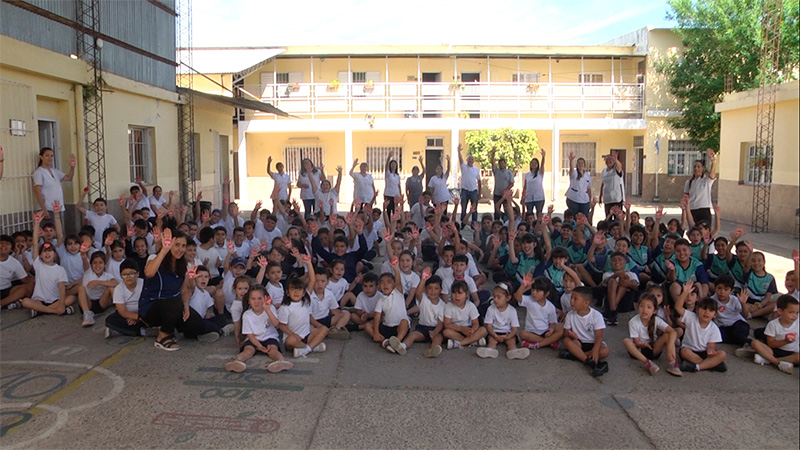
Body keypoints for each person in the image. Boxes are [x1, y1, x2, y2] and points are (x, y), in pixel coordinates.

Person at [139, 228, 206, 351]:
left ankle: (169, 327)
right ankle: (162, 335)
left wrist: (186, 306)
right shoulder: (154, 257)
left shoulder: (183, 265)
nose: (180, 249)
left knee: (196, 325)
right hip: (151, 307)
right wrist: (164, 250)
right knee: (174, 302)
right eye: (176, 245)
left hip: (174, 308)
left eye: (183, 246)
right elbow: (149, 273)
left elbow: (185, 290)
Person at [225, 285, 294, 373]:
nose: (256, 302)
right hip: (253, 339)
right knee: (248, 350)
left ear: (266, 299)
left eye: (260, 298)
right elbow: (250, 335)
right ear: (249, 301)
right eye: (253, 299)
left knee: (273, 349)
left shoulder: (271, 308)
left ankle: (281, 361)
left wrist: (267, 309)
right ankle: (237, 361)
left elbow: (276, 324)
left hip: (270, 337)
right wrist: (260, 346)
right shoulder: (247, 314)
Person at [21, 210, 76, 317]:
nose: (47, 254)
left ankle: (40, 311)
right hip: (39, 300)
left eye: (50, 251)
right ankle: (52, 311)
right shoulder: (38, 265)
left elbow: (62, 288)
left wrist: (60, 303)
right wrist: (36, 224)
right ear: (40, 255)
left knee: (71, 298)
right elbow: (35, 244)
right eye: (44, 251)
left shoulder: (60, 269)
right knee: (25, 301)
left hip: (55, 299)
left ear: (54, 254)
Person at [622, 293, 682, 376]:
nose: (645, 309)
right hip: (639, 350)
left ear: (654, 311)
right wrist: (642, 344)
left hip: (654, 349)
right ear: (638, 307)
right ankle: (648, 363)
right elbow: (637, 342)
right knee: (626, 341)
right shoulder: (633, 322)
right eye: (642, 306)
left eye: (649, 307)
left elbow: (673, 332)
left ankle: (672, 363)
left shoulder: (657, 320)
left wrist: (669, 347)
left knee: (668, 335)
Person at [674, 280, 728, 373]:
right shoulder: (691, 317)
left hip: (704, 352)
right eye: (704, 309)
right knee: (684, 352)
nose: (706, 312)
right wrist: (685, 292)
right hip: (689, 350)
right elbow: (678, 307)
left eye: (710, 311)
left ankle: (696, 367)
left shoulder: (714, 328)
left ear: (714, 314)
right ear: (698, 310)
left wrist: (711, 351)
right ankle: (711, 365)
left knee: (722, 354)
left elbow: (711, 345)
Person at [560, 286, 609, 377]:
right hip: (578, 342)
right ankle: (587, 360)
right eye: (571, 298)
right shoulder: (570, 315)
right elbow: (565, 334)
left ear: (586, 303)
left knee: (605, 350)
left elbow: (599, 336)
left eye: (575, 299)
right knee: (567, 341)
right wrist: (571, 335)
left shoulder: (596, 315)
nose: (571, 301)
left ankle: (575, 356)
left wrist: (595, 349)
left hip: (591, 343)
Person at [278, 273, 328, 359]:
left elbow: (312, 280)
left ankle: (306, 349)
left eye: (299, 289)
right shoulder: (285, 307)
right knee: (290, 341)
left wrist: (308, 262)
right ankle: (312, 347)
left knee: (324, 329)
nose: (296, 292)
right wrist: (293, 334)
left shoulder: (306, 302)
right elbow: (281, 325)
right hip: (293, 338)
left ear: (304, 293)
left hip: (306, 335)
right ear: (287, 293)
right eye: (293, 289)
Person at [397, 269, 445, 358]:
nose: (433, 291)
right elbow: (418, 293)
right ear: (425, 289)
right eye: (430, 288)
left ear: (441, 290)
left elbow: (440, 323)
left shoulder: (442, 305)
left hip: (435, 329)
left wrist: (434, 332)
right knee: (413, 335)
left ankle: (432, 350)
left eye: (436, 288)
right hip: (423, 327)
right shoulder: (424, 299)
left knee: (438, 338)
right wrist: (423, 279)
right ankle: (402, 346)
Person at [369, 261, 411, 354]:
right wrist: (376, 332)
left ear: (394, 285)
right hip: (387, 327)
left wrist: (396, 269)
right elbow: (377, 316)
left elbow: (399, 282)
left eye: (388, 282)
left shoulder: (397, 293)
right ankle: (384, 342)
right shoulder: (380, 300)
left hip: (399, 328)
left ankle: (397, 342)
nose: (385, 285)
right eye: (382, 283)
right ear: (379, 286)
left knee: (405, 322)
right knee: (368, 326)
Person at [478, 283, 528, 359]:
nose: (495, 299)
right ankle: (490, 350)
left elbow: (514, 329)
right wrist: (494, 335)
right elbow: (489, 326)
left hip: (508, 333)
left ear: (508, 298)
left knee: (511, 341)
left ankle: (513, 351)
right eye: (494, 296)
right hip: (494, 332)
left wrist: (508, 336)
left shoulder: (512, 310)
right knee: (492, 341)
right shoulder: (491, 309)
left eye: (499, 297)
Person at [750, 294, 798, 374]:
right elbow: (771, 343)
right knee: (755, 343)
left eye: (797, 313)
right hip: (774, 351)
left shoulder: (797, 323)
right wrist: (785, 341)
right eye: (791, 312)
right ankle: (776, 362)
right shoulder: (773, 324)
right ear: (780, 311)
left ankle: (768, 359)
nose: (795, 316)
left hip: (792, 353)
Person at [516, 276, 563, 350]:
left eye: (537, 291)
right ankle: (549, 342)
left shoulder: (550, 306)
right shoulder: (529, 300)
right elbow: (517, 297)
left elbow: (552, 322)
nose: (534, 293)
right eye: (533, 289)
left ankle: (536, 343)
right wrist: (524, 285)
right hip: (531, 332)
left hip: (545, 331)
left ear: (546, 294)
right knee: (522, 334)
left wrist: (551, 329)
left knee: (561, 331)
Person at [32, 147, 75, 221]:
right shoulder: (39, 172)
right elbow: (37, 191)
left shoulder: (55, 171)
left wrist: (72, 167)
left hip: (57, 208)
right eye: (47, 155)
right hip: (48, 208)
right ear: (41, 157)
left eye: (51, 156)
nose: (50, 158)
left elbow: (68, 178)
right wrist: (44, 210)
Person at [443, 280, 488, 349]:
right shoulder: (449, 306)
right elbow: (447, 324)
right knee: (446, 332)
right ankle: (473, 341)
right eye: (454, 293)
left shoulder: (470, 306)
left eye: (460, 293)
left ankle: (460, 343)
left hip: (469, 329)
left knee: (483, 330)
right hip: (456, 330)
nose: (457, 296)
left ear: (466, 294)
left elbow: (475, 323)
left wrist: (472, 330)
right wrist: (461, 329)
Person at [104, 260, 144, 338]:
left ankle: (123, 331)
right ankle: (142, 331)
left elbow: (148, 303)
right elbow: (122, 311)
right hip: (127, 315)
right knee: (110, 320)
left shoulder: (144, 284)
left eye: (131, 274)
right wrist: (134, 317)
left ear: (138, 273)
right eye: (125, 274)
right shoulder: (119, 289)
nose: (128, 277)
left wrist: (138, 318)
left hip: (143, 314)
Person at [77, 251, 117, 327]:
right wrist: (83, 253)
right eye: (95, 263)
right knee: (81, 288)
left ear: (105, 264)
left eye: (100, 262)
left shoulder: (107, 275)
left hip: (101, 303)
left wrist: (98, 282)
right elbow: (84, 260)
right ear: (91, 265)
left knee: (111, 287)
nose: (97, 265)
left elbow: (116, 283)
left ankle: (119, 309)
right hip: (87, 303)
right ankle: (87, 315)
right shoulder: (88, 272)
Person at [683, 148, 717, 224]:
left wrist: (713, 161)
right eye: (694, 167)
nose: (696, 169)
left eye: (698, 167)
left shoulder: (706, 180)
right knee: (694, 230)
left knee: (704, 232)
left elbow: (712, 173)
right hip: (692, 209)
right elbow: (686, 197)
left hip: (704, 209)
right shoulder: (689, 182)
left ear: (703, 168)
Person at [0, 234, 34, 309]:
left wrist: (32, 283)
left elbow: (25, 280)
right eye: (1, 243)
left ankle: (2, 303)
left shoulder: (14, 262)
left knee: (24, 288)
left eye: (7, 244)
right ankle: (10, 303)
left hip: (7, 290)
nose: (3, 246)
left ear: (11, 249)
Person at [457, 143, 481, 226]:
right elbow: (460, 159)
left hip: (473, 190)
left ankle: (474, 223)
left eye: (472, 159)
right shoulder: (464, 166)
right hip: (465, 190)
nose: (470, 161)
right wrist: (458, 151)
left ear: (473, 161)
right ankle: (463, 223)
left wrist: (479, 192)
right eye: (469, 159)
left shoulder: (476, 169)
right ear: (467, 160)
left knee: (474, 208)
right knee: (463, 207)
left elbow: (479, 180)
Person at [489, 147, 514, 221]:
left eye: (503, 163)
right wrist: (493, 153)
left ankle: (507, 221)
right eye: (500, 163)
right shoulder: (496, 171)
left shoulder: (509, 172)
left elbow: (512, 183)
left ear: (505, 164)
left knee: (507, 208)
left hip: (505, 195)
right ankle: (497, 222)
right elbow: (492, 162)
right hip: (497, 194)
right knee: (497, 209)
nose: (501, 165)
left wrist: (505, 190)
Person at [598, 151, 624, 219]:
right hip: (607, 198)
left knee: (617, 217)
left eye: (611, 160)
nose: (609, 161)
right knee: (608, 217)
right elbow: (603, 183)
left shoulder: (616, 169)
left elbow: (620, 167)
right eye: (607, 160)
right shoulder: (604, 171)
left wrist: (616, 160)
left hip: (616, 198)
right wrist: (600, 196)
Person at [565, 152, 592, 217]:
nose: (580, 164)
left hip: (584, 200)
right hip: (573, 199)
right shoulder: (574, 173)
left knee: (584, 217)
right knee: (574, 217)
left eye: (582, 163)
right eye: (579, 163)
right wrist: (571, 161)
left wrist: (590, 200)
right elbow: (571, 170)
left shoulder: (587, 176)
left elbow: (589, 189)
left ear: (584, 165)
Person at [521, 150, 546, 217]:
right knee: (529, 214)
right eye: (532, 163)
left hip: (539, 197)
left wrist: (543, 157)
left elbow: (543, 165)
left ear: (537, 165)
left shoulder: (540, 173)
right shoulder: (527, 174)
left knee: (539, 214)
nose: (533, 164)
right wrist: (522, 197)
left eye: (535, 163)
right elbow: (525, 186)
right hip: (529, 197)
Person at [383, 150, 402, 217]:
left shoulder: (397, 176)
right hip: (388, 194)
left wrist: (400, 195)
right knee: (388, 210)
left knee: (395, 210)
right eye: (392, 164)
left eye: (395, 164)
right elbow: (386, 167)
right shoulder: (388, 174)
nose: (393, 166)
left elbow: (399, 185)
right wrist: (389, 157)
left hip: (396, 195)